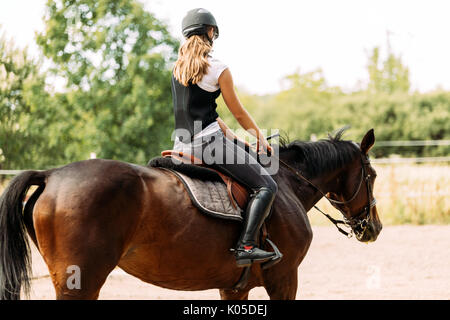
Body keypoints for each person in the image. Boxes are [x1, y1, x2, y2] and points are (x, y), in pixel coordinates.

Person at [171, 8, 279, 267]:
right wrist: (261, 140)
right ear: (211, 32)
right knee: (267, 186)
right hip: (209, 145)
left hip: (180, 146)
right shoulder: (218, 68)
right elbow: (239, 112)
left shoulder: (177, 70)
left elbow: (201, 111)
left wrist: (234, 139)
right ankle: (247, 245)